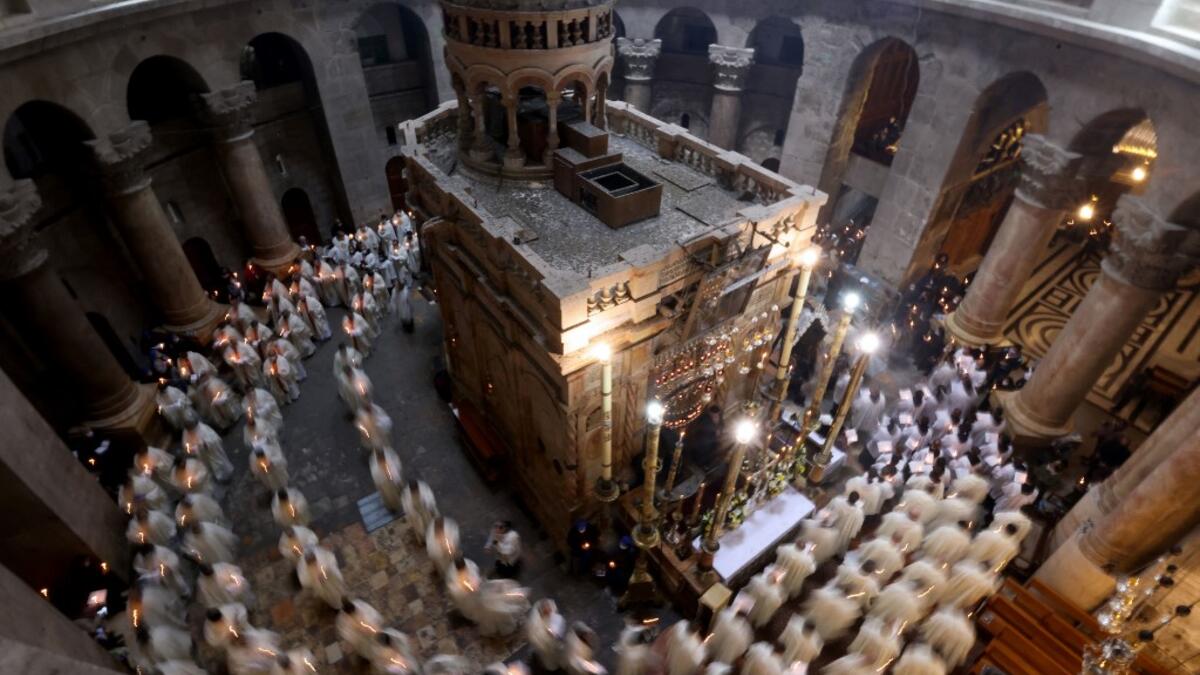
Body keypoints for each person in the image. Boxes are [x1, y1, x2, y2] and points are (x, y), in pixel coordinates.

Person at [182, 416, 234, 483]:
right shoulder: (186, 432)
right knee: (207, 466)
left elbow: (215, 440)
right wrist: (189, 448)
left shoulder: (203, 429)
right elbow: (186, 443)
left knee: (218, 465)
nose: (189, 431)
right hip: (201, 454)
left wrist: (204, 444)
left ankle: (225, 476)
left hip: (211, 452)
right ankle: (215, 477)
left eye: (190, 428)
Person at [527, 599, 566, 671]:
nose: (549, 611)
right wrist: (545, 638)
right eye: (546, 609)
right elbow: (533, 637)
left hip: (554, 643)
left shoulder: (553, 614)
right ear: (542, 610)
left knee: (557, 652)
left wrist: (554, 633)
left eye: (549, 609)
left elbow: (557, 623)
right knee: (549, 658)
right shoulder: (535, 622)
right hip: (544, 646)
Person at [403, 480, 439, 545]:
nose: (416, 492)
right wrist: (415, 514)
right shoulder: (407, 496)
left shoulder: (423, 489)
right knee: (420, 528)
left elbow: (429, 498)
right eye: (414, 491)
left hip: (425, 512)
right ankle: (424, 539)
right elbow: (408, 508)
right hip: (417, 515)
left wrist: (428, 506)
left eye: (416, 490)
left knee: (429, 524)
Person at [371, 447, 404, 511]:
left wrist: (396, 474)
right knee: (390, 497)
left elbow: (397, 462)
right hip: (385, 483)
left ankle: (400, 496)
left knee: (399, 488)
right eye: (381, 460)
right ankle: (392, 507)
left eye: (383, 459)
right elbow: (378, 480)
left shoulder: (389, 455)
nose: (383, 461)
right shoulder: (375, 467)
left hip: (394, 477)